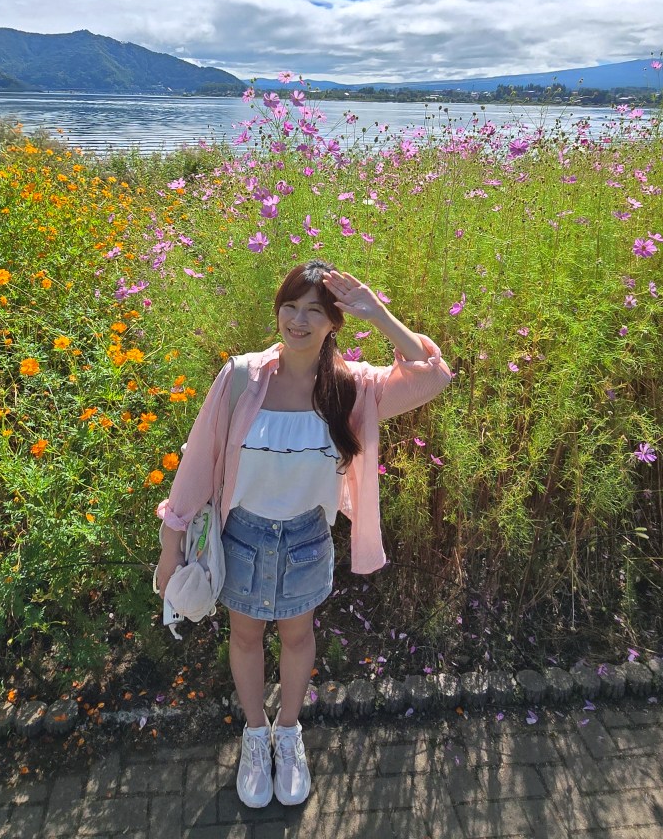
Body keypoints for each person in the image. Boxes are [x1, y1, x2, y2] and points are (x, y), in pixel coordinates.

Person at [153, 259, 454, 809]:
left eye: (314, 311)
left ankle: (287, 734)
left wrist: (376, 311)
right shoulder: (242, 377)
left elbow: (433, 373)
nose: (297, 320)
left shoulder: (352, 388)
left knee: (297, 637)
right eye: (290, 306)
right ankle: (254, 734)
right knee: (244, 637)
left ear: (333, 323)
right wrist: (170, 546)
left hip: (307, 541)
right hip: (240, 539)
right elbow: (199, 462)